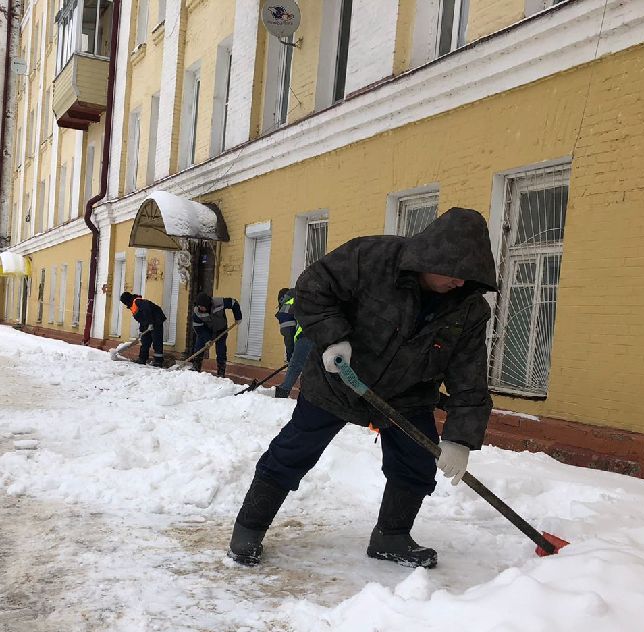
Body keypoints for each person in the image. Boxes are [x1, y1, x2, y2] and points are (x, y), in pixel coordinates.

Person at [228, 208, 497, 569]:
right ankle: (248, 529)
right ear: (431, 256)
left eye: (470, 276)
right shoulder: (371, 259)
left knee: (416, 465)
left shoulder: (469, 309)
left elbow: (469, 375)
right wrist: (333, 337)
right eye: (455, 273)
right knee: (294, 450)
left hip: (408, 395)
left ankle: (392, 536)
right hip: (338, 381)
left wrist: (461, 439)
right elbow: (311, 288)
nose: (461, 283)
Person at [190, 292, 242, 377]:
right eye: (199, 306)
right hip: (206, 330)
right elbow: (198, 328)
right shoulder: (197, 312)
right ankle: (196, 367)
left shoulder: (219, 303)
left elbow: (233, 303)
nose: (201, 308)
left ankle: (221, 372)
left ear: (207, 304)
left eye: (202, 306)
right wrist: (207, 339)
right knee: (199, 346)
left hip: (221, 330)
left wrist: (238, 317)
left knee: (221, 350)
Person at [119, 291, 166, 366]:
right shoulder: (132, 305)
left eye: (124, 302)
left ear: (127, 299)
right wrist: (141, 330)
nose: (124, 304)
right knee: (145, 340)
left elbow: (147, 311)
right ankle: (142, 358)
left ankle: (158, 361)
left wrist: (151, 323)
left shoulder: (138, 301)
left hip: (157, 321)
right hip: (147, 323)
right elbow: (142, 319)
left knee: (156, 340)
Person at [275, 287, 298, 362]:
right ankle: (291, 361)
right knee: (291, 346)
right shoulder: (291, 300)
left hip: (283, 328)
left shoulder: (283, 303)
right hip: (290, 327)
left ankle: (289, 360)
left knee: (289, 346)